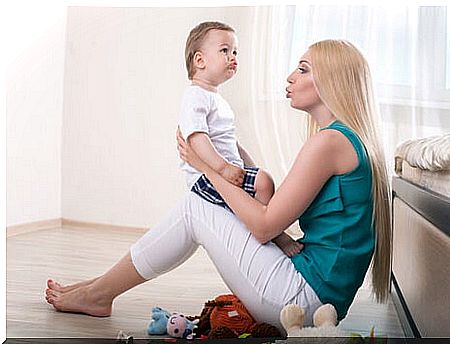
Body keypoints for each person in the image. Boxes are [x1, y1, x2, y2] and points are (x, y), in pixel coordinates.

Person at [45, 39, 391, 330]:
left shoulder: (328, 144)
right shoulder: (344, 141)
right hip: (316, 296)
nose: (290, 77)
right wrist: (227, 155)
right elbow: (275, 205)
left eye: (302, 69)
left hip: (301, 302)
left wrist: (206, 168)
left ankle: (99, 294)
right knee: (204, 203)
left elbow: (265, 225)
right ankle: (98, 289)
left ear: (332, 81)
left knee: (198, 205)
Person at [179, 21, 302, 257]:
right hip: (205, 178)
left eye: (235, 51)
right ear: (200, 61)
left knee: (263, 180)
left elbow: (230, 143)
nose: (232, 56)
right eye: (224, 50)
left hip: (223, 170)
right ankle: (272, 234)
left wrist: (249, 166)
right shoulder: (195, 96)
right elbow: (196, 139)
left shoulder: (217, 99)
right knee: (263, 182)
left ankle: (267, 228)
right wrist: (223, 168)